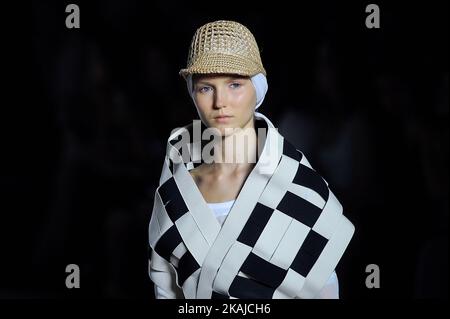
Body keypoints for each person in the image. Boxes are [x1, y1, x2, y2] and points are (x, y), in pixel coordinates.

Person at [148, 20, 354, 299]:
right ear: (192, 92)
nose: (221, 101)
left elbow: (323, 291)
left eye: (235, 84)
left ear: (258, 88)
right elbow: (165, 285)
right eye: (206, 87)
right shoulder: (175, 183)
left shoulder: (297, 185)